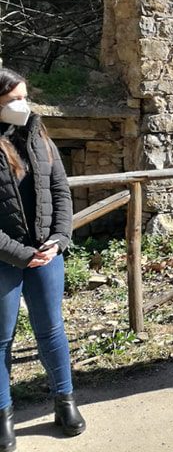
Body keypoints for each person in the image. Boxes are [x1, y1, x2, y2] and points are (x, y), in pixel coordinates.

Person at [0, 68, 85, 449]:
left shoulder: (37, 133)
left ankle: (65, 402)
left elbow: (60, 191)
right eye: (13, 98)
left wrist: (59, 238)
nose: (22, 104)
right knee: (1, 340)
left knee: (51, 330)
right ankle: (4, 417)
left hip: (46, 252)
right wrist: (20, 254)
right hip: (5, 257)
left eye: (24, 95)